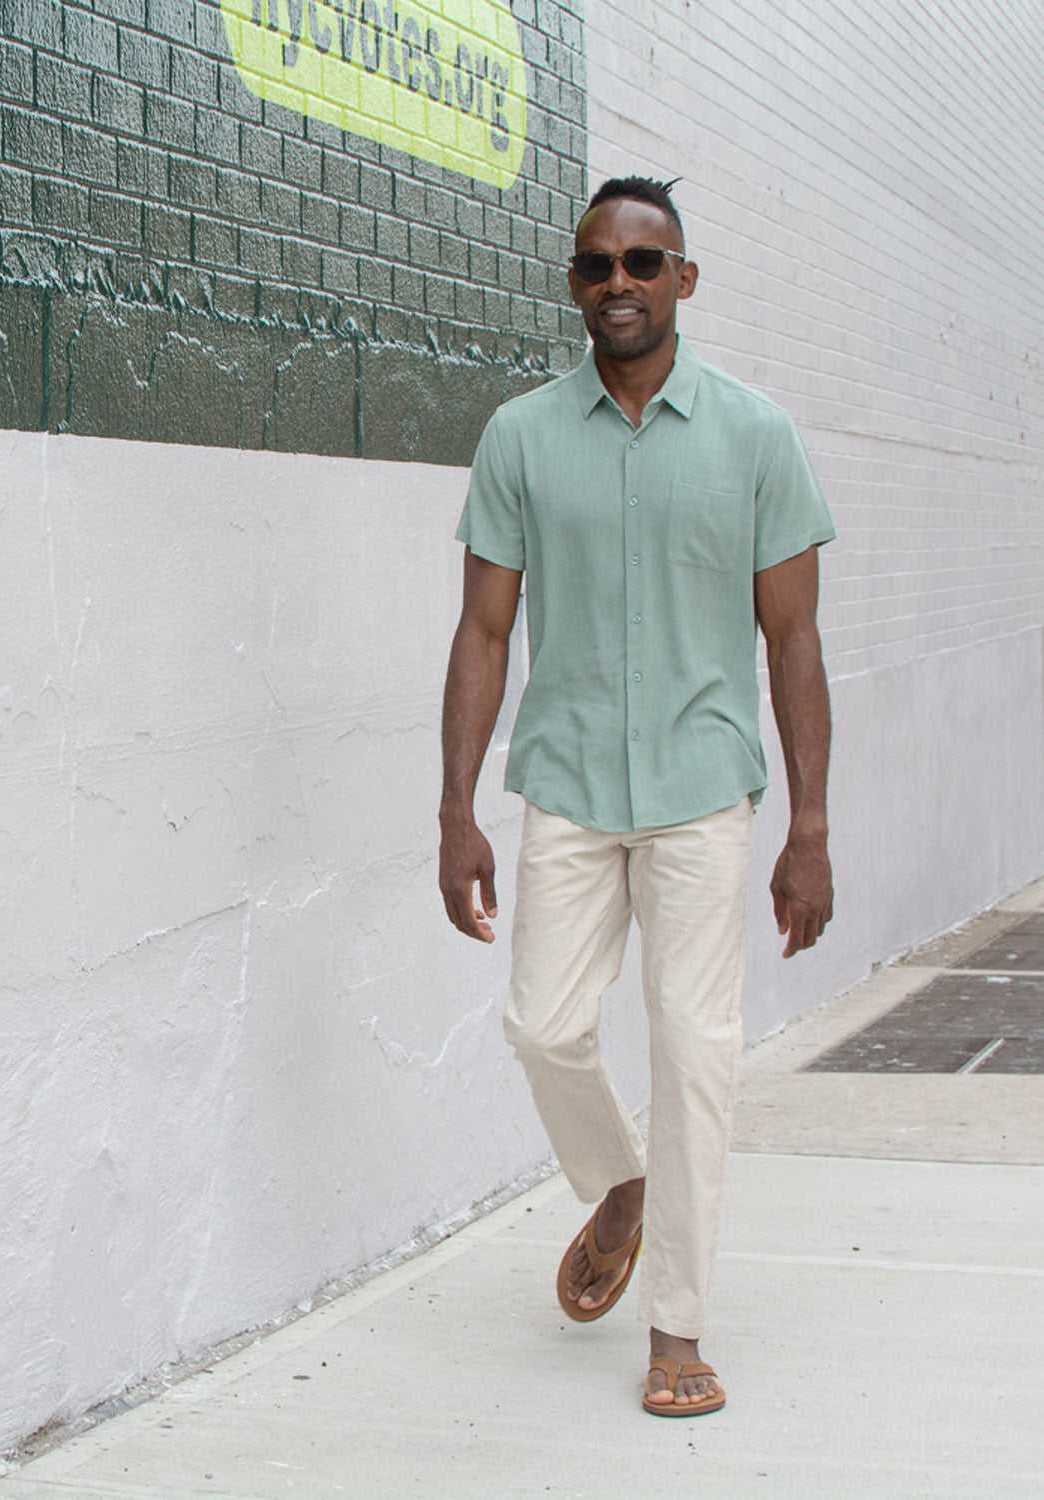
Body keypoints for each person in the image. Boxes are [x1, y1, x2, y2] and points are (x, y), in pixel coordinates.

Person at [438, 176, 835, 1416]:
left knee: (694, 1052)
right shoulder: (519, 436)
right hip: (563, 783)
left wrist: (811, 825)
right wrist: (455, 807)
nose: (622, 282)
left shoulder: (758, 433)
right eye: (600, 263)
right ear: (574, 283)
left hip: (702, 788)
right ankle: (619, 1183)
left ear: (685, 281)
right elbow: (484, 631)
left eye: (646, 263)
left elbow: (795, 642)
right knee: (544, 1028)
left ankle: (678, 1328)